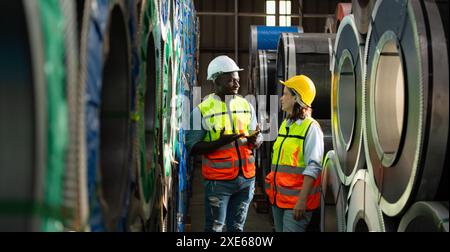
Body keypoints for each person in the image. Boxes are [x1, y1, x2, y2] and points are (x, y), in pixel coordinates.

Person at [186, 55, 262, 232]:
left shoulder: (246, 106)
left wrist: (254, 140)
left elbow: (255, 140)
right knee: (215, 228)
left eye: (237, 80)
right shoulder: (201, 111)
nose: (237, 84)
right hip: (218, 182)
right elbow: (192, 147)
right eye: (230, 81)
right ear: (216, 81)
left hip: (246, 181)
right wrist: (219, 142)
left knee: (236, 228)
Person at [265, 75, 324, 232]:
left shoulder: (311, 128)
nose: (281, 98)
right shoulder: (286, 124)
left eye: (285, 94)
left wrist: (302, 201)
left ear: (296, 98)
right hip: (278, 200)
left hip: (296, 204)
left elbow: (314, 167)